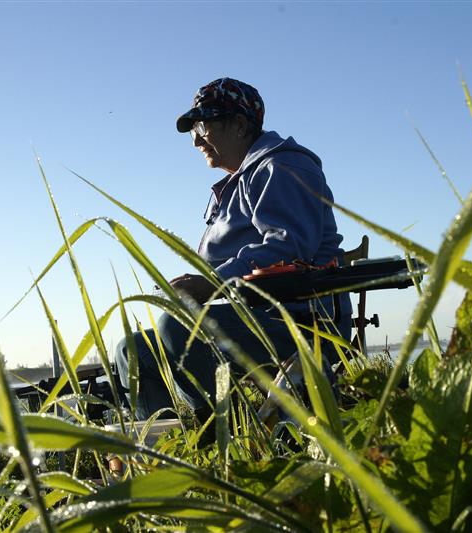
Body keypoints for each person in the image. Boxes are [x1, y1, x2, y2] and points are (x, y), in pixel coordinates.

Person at [114, 77, 351, 422]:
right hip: (252, 316)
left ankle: (228, 429)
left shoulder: (281, 167)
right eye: (193, 130)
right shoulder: (235, 183)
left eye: (203, 126)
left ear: (239, 125)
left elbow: (289, 248)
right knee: (132, 351)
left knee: (179, 327)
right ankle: (172, 441)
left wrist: (210, 284)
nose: (196, 140)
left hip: (302, 322)